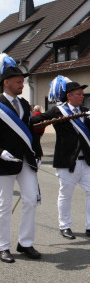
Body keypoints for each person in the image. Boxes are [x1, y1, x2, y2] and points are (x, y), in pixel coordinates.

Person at [32, 77, 90, 240]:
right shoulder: (58, 111)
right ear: (69, 96)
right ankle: (65, 226)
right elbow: (38, 119)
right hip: (67, 161)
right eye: (78, 94)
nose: (82, 96)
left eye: (82, 94)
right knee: (66, 194)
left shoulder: (84, 111)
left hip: (86, 161)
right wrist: (24, 120)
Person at [0, 60, 41, 263]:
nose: (22, 85)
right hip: (4, 161)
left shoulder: (24, 104)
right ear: (6, 82)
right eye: (18, 82)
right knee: (4, 205)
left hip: (25, 160)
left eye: (22, 82)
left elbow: (31, 133)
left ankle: (25, 243)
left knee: (30, 199)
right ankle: (3, 247)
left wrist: (38, 154)